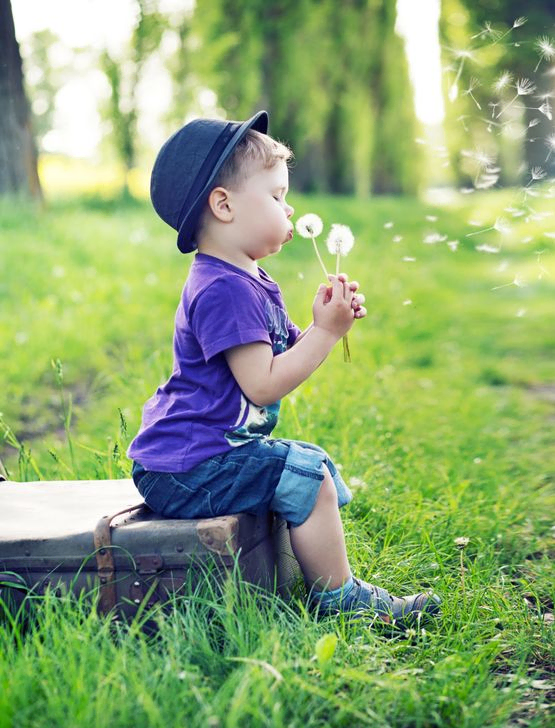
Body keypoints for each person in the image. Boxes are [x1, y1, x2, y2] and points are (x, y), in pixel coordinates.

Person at [127, 110, 440, 627]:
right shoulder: (222, 289)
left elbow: (280, 350)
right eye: (275, 196)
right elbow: (263, 380)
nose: (288, 207)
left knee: (304, 466)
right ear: (223, 206)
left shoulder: (246, 276)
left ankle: (320, 575)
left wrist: (321, 323)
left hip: (204, 454)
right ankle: (341, 599)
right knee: (305, 473)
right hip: (184, 466)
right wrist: (326, 334)